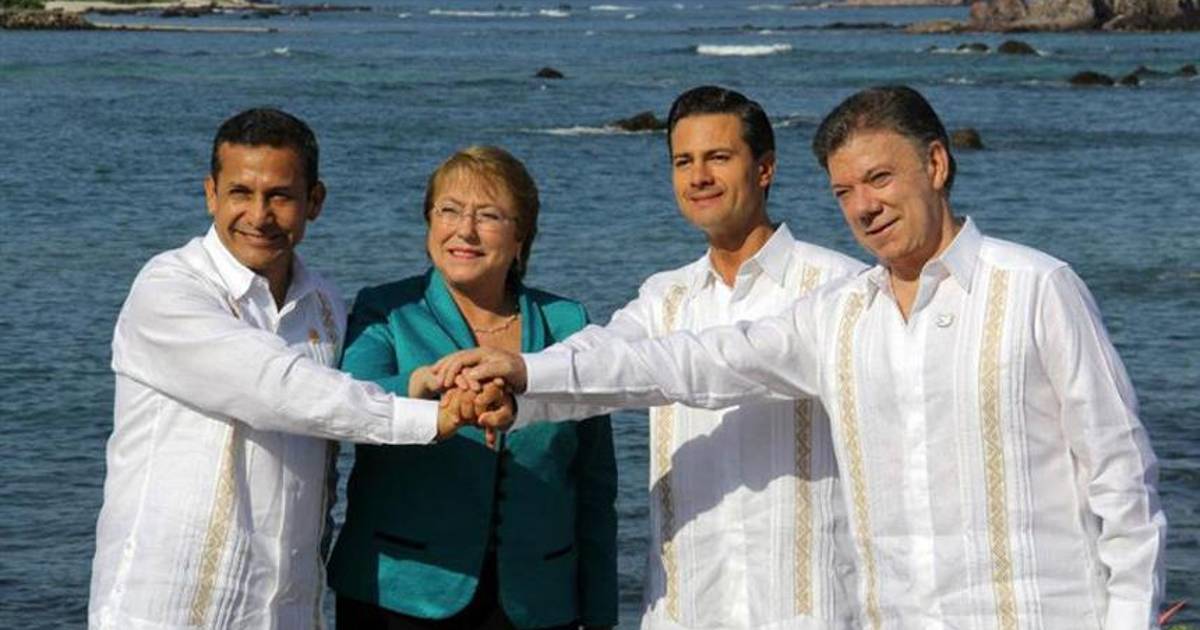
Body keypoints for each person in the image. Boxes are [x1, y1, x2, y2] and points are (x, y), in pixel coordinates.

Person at [437, 86, 1166, 629]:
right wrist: (525, 376)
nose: (864, 205)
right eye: (845, 190)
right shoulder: (833, 313)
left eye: (880, 179)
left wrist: (1132, 615)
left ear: (937, 164)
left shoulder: (1030, 287)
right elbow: (678, 363)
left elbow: (1121, 474)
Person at [88, 108, 506, 630]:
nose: (259, 215)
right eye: (240, 192)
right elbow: (275, 388)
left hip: (286, 607)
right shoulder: (169, 288)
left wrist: (423, 385)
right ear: (211, 195)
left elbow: (340, 400)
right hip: (171, 607)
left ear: (315, 201)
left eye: (280, 196)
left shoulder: (325, 303)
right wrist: (432, 419)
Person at [505, 86, 867, 629]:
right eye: (683, 161)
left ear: (765, 168)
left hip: (812, 611)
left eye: (718, 157)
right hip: (686, 609)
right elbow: (602, 357)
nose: (698, 177)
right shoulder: (665, 296)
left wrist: (525, 376)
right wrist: (509, 394)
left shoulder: (841, 288)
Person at [326, 146, 618, 630]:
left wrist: (602, 614)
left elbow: (594, 482)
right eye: (449, 210)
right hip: (399, 595)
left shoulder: (569, 324)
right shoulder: (387, 309)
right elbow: (352, 399)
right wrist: (424, 385)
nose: (465, 230)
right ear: (429, 224)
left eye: (488, 215)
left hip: (539, 604)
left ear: (521, 235)